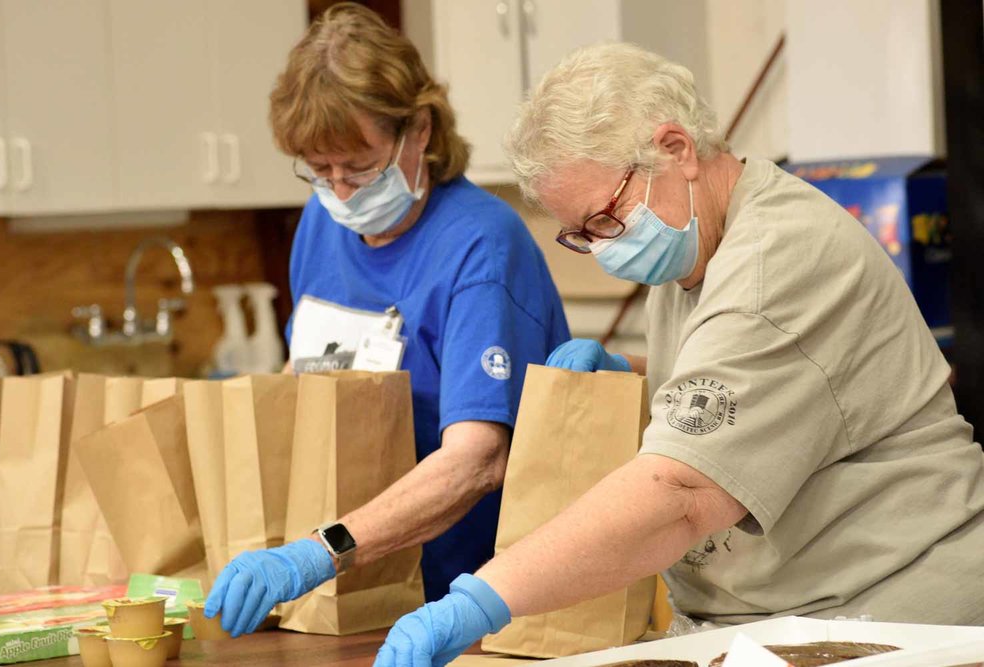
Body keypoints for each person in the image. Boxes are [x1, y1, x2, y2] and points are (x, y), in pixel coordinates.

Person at [373, 42, 984, 666]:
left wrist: (482, 598)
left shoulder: (775, 262)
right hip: (781, 612)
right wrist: (636, 377)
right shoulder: (697, 246)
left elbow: (680, 493)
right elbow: (772, 384)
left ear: (676, 150)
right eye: (580, 236)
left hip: (889, 610)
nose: (606, 251)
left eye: (605, 221)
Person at [203, 3, 569, 638]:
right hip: (345, 594)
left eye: (362, 166)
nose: (342, 193)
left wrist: (315, 552)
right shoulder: (322, 224)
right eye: (321, 172)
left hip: (467, 604)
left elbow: (477, 460)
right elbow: (306, 376)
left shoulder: (481, 247)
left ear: (419, 130)